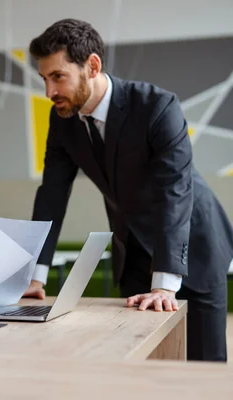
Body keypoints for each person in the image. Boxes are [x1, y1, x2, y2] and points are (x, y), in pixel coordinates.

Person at [25, 19, 233, 362]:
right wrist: (35, 275)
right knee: (141, 367)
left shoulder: (157, 107)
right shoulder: (61, 120)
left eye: (58, 77)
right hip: (134, 252)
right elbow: (51, 194)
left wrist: (165, 283)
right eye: (44, 79)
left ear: (92, 66)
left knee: (202, 369)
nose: (49, 92)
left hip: (193, 249)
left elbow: (174, 191)